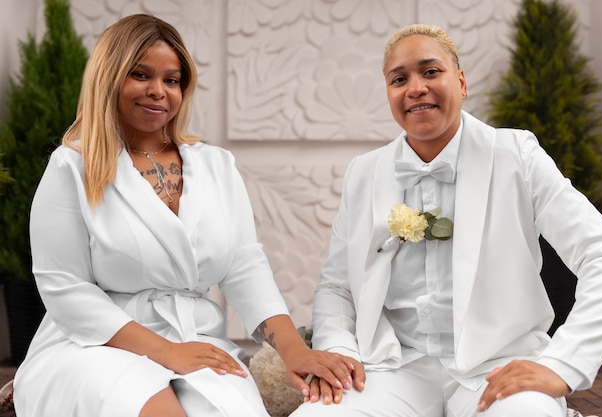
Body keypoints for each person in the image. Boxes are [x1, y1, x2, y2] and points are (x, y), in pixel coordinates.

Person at [12, 14, 357, 417]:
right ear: (109, 78)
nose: (159, 91)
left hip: (197, 342)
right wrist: (166, 352)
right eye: (141, 75)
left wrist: (294, 351)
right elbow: (64, 286)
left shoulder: (216, 165)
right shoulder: (72, 166)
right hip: (93, 346)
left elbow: (245, 267)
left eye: (172, 80)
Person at [290, 23, 602, 417]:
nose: (415, 87)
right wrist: (340, 353)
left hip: (497, 366)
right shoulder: (363, 173)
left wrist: (563, 364)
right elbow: (337, 286)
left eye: (431, 71)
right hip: (392, 370)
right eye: (399, 79)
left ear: (461, 82)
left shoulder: (516, 154)